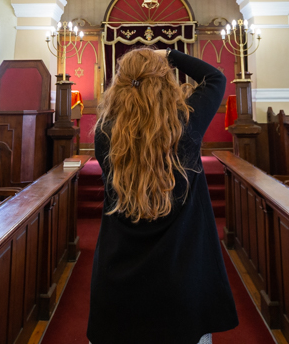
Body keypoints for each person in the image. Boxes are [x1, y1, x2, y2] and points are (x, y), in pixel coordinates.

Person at [87, 48, 238, 344]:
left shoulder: (105, 132)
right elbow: (215, 78)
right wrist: (169, 53)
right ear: (166, 82)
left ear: (120, 83)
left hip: (118, 278)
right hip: (181, 277)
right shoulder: (186, 124)